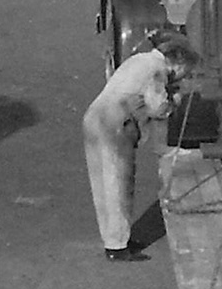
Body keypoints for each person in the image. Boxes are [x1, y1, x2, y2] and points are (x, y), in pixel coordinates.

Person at [82, 30, 199, 261]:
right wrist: (175, 100)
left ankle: (114, 239)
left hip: (94, 118)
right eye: (186, 72)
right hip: (115, 124)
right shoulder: (157, 71)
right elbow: (158, 108)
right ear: (178, 62)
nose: (185, 76)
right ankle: (117, 247)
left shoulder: (139, 59)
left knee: (101, 184)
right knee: (118, 182)